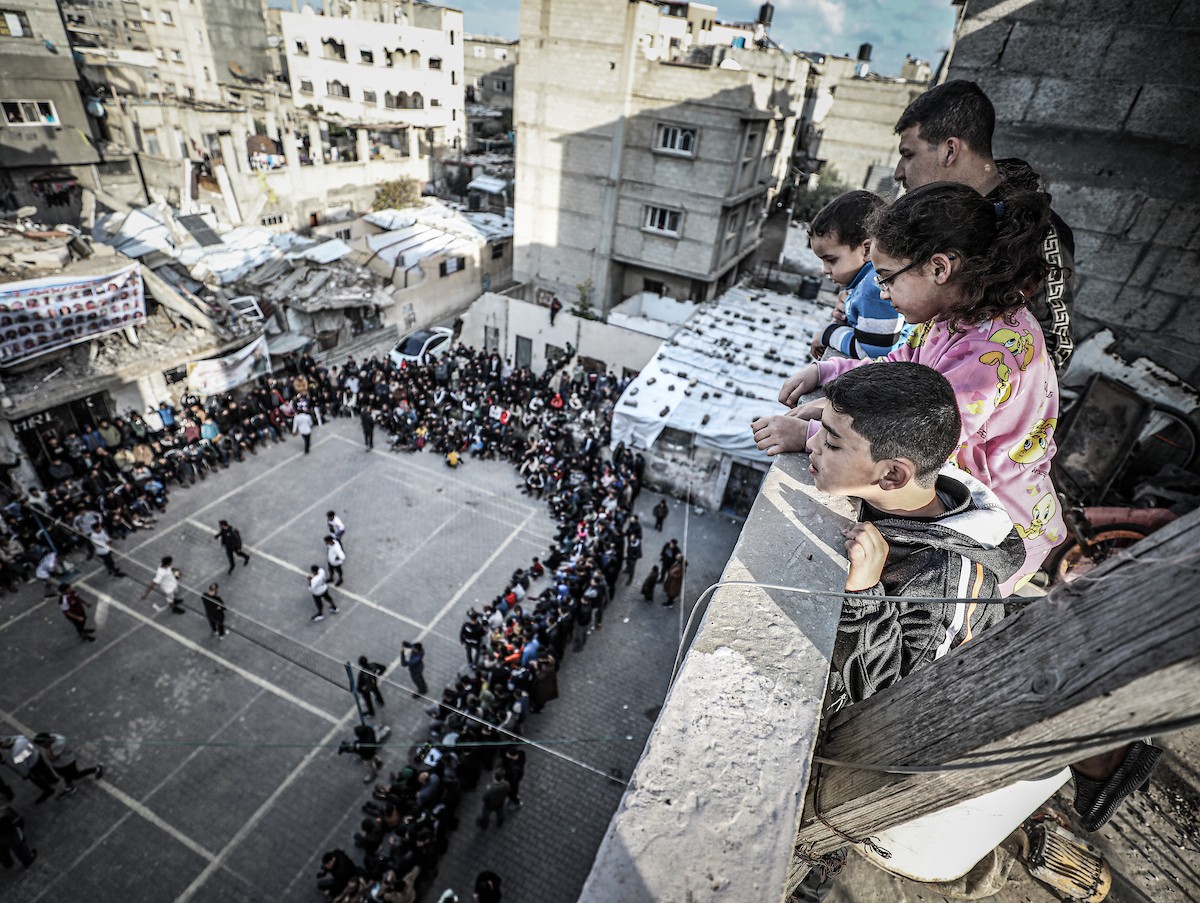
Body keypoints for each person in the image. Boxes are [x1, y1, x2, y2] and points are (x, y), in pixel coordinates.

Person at [757, 181, 1065, 594]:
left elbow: (923, 442)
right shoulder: (952, 318)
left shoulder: (987, 354)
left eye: (887, 279)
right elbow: (900, 368)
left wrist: (813, 435)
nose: (883, 294)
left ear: (940, 268)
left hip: (992, 533)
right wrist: (829, 375)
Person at [892, 80, 1077, 373]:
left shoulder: (1038, 231)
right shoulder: (929, 216)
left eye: (908, 154)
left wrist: (976, 385)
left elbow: (1055, 350)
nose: (898, 172)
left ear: (949, 150)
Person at [807, 190, 908, 361]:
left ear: (866, 250)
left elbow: (871, 354)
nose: (825, 269)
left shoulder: (873, 288)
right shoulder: (864, 281)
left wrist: (827, 334)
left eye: (831, 260)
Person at [31, 732, 103, 797]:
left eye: (41, 745)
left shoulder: (58, 744)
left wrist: (47, 748)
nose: (40, 746)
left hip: (67, 763)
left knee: (75, 776)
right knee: (65, 775)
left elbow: (52, 758)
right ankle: (69, 787)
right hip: (59, 765)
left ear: (46, 742)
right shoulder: (51, 738)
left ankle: (95, 769)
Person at [0, 804, 36, 869]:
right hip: (9, 833)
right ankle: (27, 860)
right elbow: (18, 820)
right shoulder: (4, 810)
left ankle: (7, 863)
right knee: (19, 848)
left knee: (1, 852)